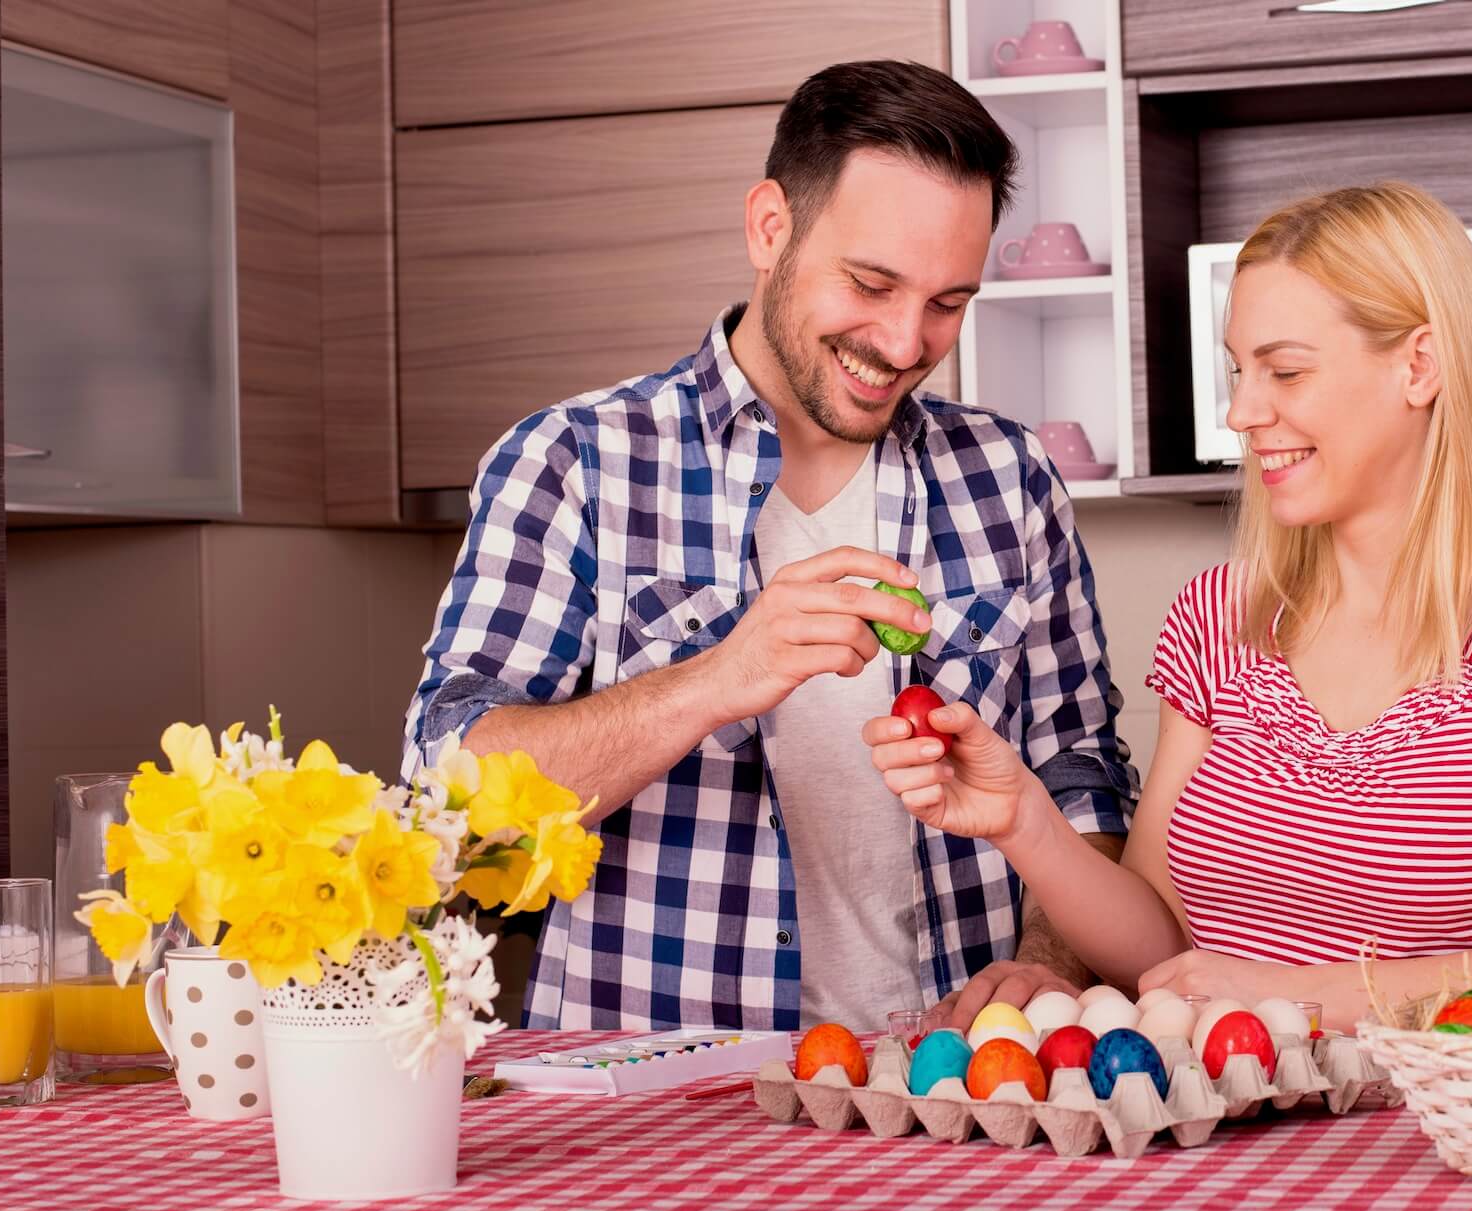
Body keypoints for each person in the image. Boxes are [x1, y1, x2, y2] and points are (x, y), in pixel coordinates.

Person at [402, 61, 1139, 1032]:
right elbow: (450, 803)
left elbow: (1079, 774)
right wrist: (718, 676)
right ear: (769, 226)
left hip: (960, 1090)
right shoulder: (576, 463)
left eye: (948, 302)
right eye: (872, 283)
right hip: (660, 1112)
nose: (906, 340)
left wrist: (1048, 962)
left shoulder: (1009, 477)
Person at [866, 182, 1472, 1030]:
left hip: (1463, 1139)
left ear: (1420, 366)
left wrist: (1320, 998)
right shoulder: (1221, 617)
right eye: (1238, 371)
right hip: (1237, 1143)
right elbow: (1160, 949)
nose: (1242, 413)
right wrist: (1023, 820)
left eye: (1285, 371)